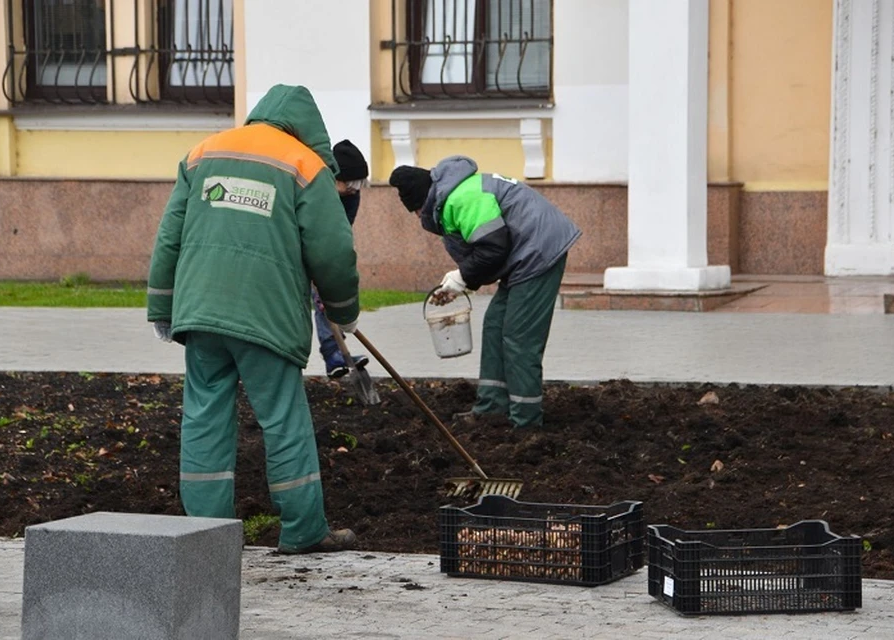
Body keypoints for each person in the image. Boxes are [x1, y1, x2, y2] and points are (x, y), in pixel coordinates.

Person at [146, 84, 359, 554]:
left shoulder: (203, 154)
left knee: (203, 416)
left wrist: (163, 306)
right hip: (266, 316)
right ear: (307, 128)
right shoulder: (305, 166)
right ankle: (303, 530)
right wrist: (344, 312)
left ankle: (205, 534)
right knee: (282, 417)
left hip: (200, 313)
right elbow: (333, 250)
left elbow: (169, 237)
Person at [389, 155, 581, 430]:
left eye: (416, 211)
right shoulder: (455, 194)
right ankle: (492, 407)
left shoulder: (462, 198)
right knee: (494, 325)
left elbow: (492, 248)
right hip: (523, 253)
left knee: (518, 336)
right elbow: (487, 249)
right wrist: (463, 280)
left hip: (539, 251)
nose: (418, 217)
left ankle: (525, 422)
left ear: (423, 202)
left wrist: (462, 277)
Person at [312, 139, 370, 379]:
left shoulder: (350, 197)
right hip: (294, 248)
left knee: (325, 299)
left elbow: (341, 235)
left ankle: (334, 354)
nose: (353, 190)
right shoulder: (313, 189)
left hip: (325, 249)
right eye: (348, 185)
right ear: (334, 177)